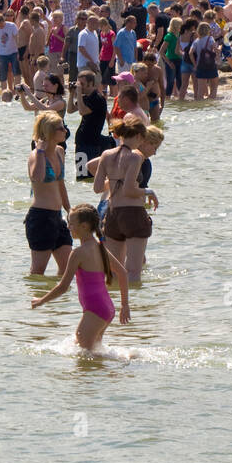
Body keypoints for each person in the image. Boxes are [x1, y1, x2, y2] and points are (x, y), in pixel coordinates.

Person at [31, 204, 130, 351]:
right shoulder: (100, 247)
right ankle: (119, 366)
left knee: (85, 358)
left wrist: (41, 300)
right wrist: (124, 305)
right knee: (92, 354)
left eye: (71, 223)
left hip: (95, 310)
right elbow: (123, 273)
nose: (68, 226)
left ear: (84, 226)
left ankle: (123, 365)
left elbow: (63, 287)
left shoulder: (78, 253)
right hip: (107, 308)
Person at [93, 116, 157, 285]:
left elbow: (97, 187)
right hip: (133, 214)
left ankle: (114, 304)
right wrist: (149, 191)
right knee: (134, 272)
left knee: (115, 271)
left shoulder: (107, 155)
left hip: (112, 214)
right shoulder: (135, 157)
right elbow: (129, 189)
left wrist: (115, 181)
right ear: (137, 136)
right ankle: (133, 308)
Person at [25, 111, 73, 276]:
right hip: (40, 219)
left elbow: (61, 184)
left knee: (68, 269)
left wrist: (69, 209)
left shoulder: (60, 151)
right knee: (38, 273)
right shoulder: (35, 156)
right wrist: (39, 152)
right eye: (61, 128)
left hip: (57, 218)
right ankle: (36, 298)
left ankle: (59, 302)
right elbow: (37, 177)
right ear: (49, 132)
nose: (65, 131)